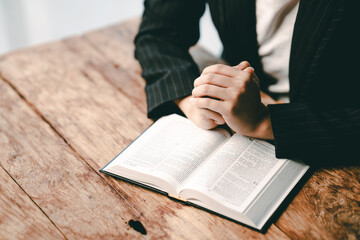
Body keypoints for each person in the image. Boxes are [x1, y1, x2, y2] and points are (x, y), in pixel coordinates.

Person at [134, 0, 359, 166]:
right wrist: (194, 101)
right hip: (235, 114)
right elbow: (158, 33)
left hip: (331, 135)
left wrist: (263, 122)